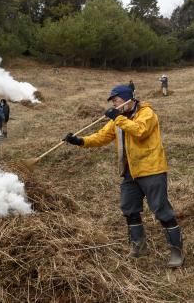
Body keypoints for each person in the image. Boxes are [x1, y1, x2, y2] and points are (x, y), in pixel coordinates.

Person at [63, 84, 184, 268]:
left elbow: (140, 131)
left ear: (129, 100)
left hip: (151, 169)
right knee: (129, 209)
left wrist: (118, 118)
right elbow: (101, 136)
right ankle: (139, 246)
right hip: (129, 173)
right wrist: (79, 141)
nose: (114, 104)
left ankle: (176, 251)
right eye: (112, 101)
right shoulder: (119, 119)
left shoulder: (147, 113)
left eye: (117, 101)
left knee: (161, 210)